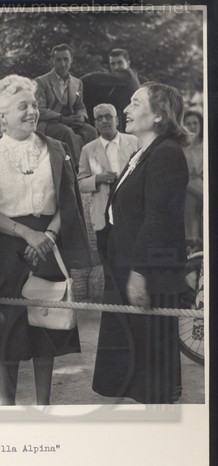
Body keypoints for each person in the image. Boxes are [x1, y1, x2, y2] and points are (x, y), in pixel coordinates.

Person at [0, 75, 98, 406]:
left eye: (35, 105)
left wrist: (49, 235)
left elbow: (68, 202)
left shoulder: (57, 149)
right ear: (3, 116)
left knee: (46, 327)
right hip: (6, 249)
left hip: (48, 246)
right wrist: (26, 232)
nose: (32, 112)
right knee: (7, 330)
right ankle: (8, 405)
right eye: (23, 106)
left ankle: (43, 404)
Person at [92, 82, 189, 404]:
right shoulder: (143, 153)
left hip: (149, 271)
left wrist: (139, 271)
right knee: (136, 364)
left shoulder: (167, 154)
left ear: (159, 114)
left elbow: (160, 219)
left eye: (135, 103)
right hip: (128, 264)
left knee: (153, 367)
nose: (126, 110)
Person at [78, 103, 140, 257]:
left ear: (117, 120)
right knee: (108, 266)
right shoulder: (88, 149)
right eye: (99, 118)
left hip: (131, 213)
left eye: (108, 117)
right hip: (103, 216)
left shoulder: (134, 142)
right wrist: (98, 179)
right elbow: (80, 183)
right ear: (95, 124)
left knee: (133, 261)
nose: (104, 121)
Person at [35, 44, 97, 166]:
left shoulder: (77, 82)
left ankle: (92, 166)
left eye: (66, 59)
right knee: (66, 132)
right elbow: (40, 110)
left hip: (71, 121)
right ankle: (75, 169)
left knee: (91, 131)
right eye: (58, 60)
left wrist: (81, 117)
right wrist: (62, 118)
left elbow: (80, 106)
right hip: (49, 124)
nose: (62, 64)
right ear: (52, 61)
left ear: (71, 60)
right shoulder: (41, 82)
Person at [82, 48, 140, 132]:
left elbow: (95, 78)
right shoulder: (120, 79)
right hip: (125, 119)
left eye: (120, 63)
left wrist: (77, 83)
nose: (116, 67)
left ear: (128, 63)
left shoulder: (127, 76)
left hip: (131, 122)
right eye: (113, 64)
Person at [183, 110, 203, 246]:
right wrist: (201, 195)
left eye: (195, 123)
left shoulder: (205, 144)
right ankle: (192, 242)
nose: (192, 126)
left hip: (202, 184)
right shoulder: (181, 146)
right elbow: (182, 178)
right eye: (188, 123)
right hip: (186, 187)